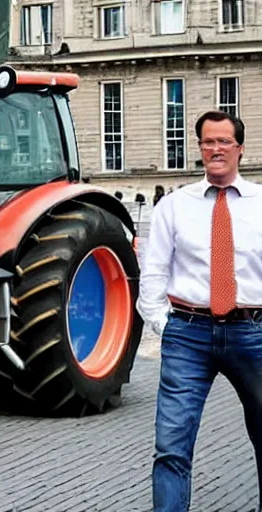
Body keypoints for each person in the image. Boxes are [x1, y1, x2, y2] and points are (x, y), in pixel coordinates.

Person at [137, 110, 262, 512]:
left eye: (224, 142)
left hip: (253, 333)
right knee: (171, 447)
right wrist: (166, 327)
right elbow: (153, 273)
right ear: (200, 149)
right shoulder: (174, 206)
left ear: (240, 149)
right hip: (188, 334)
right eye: (208, 142)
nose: (215, 149)